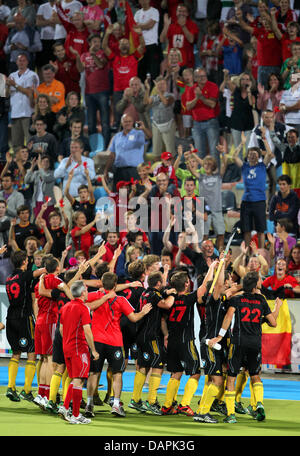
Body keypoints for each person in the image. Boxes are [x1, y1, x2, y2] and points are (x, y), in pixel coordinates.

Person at [209, 271, 283, 423]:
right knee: (255, 376)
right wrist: (277, 307)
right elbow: (273, 323)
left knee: (231, 378)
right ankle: (259, 404)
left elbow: (228, 317)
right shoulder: (261, 300)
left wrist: (220, 336)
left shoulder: (237, 299)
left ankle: (231, 415)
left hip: (238, 342)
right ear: (256, 284)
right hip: (255, 343)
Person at [86, 272, 152, 417]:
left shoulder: (94, 295)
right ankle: (115, 404)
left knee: (94, 372)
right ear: (115, 285)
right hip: (114, 342)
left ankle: (89, 404)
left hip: (96, 341)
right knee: (117, 373)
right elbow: (134, 318)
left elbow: (84, 304)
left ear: (102, 284)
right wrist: (143, 312)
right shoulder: (121, 300)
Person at [129, 270, 175, 415]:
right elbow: (167, 305)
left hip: (141, 334)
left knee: (143, 366)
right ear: (158, 283)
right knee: (158, 365)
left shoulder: (145, 293)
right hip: (152, 336)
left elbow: (161, 295)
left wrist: (166, 289)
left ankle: (135, 399)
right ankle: (152, 401)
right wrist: (173, 294)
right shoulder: (155, 295)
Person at [5, 250, 45, 402]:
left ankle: (11, 387)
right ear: (24, 262)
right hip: (24, 318)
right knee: (32, 352)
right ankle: (27, 390)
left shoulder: (9, 278)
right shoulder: (25, 275)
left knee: (15, 353)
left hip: (10, 318)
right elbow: (42, 270)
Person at [58, 280, 100, 424]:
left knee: (75, 378)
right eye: (86, 291)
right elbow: (87, 330)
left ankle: (65, 407)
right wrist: (93, 350)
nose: (87, 293)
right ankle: (75, 415)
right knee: (79, 379)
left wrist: (68, 342)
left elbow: (61, 330)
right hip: (79, 348)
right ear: (82, 293)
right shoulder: (83, 308)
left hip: (67, 347)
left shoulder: (65, 307)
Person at [161, 271, 203, 416]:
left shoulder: (169, 299)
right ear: (186, 284)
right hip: (186, 341)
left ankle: (167, 405)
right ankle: (184, 404)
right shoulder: (189, 298)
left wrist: (166, 335)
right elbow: (203, 287)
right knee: (196, 372)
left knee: (176, 372)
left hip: (172, 340)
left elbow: (162, 320)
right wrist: (212, 269)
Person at [102, 23, 145, 129]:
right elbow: (104, 47)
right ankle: (119, 133)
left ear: (129, 46)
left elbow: (142, 47)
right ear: (118, 46)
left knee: (133, 116)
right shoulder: (114, 58)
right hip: (118, 91)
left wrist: (140, 35)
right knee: (118, 116)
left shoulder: (134, 57)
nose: (124, 45)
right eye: (122, 43)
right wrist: (107, 34)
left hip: (132, 92)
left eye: (126, 43)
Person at [72, 33, 111, 148]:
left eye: (98, 41)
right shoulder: (84, 55)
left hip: (103, 91)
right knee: (91, 123)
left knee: (105, 122)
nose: (96, 43)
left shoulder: (104, 53)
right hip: (89, 93)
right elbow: (80, 69)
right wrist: (78, 57)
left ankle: (106, 146)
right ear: (89, 43)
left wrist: (93, 55)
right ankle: (94, 147)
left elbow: (100, 64)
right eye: (94, 41)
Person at [233, 143, 274, 248]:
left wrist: (264, 138)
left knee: (260, 230)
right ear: (247, 156)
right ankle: (247, 254)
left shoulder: (262, 166)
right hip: (246, 202)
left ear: (259, 156)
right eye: (250, 154)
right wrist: (242, 144)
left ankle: (260, 253)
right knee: (246, 230)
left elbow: (269, 154)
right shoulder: (244, 167)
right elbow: (234, 156)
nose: (252, 156)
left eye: (255, 154)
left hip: (259, 202)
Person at [103, 114, 151, 191]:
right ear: (122, 123)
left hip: (135, 171)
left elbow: (150, 136)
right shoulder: (116, 136)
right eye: (125, 121)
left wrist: (144, 128)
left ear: (133, 122)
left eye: (129, 121)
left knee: (136, 195)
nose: (128, 123)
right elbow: (112, 155)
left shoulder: (139, 133)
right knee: (121, 198)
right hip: (119, 171)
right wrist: (106, 170)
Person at [5, 52, 39, 152]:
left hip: (28, 112)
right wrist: (7, 86)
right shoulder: (12, 75)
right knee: (16, 143)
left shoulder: (32, 75)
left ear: (27, 62)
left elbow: (29, 92)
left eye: (23, 60)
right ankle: (17, 165)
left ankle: (31, 163)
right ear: (16, 62)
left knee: (30, 141)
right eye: (19, 60)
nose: (21, 62)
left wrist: (14, 85)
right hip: (15, 113)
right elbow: (7, 95)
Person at [186, 68, 220, 166]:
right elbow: (188, 106)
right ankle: (201, 176)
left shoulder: (213, 86)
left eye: (204, 76)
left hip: (211, 123)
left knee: (214, 151)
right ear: (195, 78)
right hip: (197, 124)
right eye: (200, 77)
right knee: (199, 152)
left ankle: (215, 174)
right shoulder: (191, 89)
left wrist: (201, 97)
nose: (203, 78)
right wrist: (197, 97)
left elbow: (212, 104)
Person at [143, 75, 176, 158]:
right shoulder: (154, 97)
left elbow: (165, 102)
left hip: (168, 124)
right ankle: (157, 169)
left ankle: (171, 169)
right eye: (159, 84)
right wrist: (147, 89)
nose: (161, 86)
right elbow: (146, 102)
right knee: (156, 152)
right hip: (156, 125)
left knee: (170, 151)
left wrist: (158, 91)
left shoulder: (171, 96)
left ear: (166, 85)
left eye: (163, 84)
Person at [159, 3, 198, 68]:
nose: (181, 13)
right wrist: (166, 26)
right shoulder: (171, 25)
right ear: (176, 12)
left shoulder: (192, 25)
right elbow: (161, 40)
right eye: (179, 11)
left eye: (184, 11)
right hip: (172, 63)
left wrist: (183, 27)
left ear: (188, 13)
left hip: (187, 63)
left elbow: (191, 40)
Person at [134, 0, 160, 82]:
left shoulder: (154, 11)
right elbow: (134, 28)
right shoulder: (137, 13)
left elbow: (149, 25)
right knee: (140, 73)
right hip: (141, 46)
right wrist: (142, 26)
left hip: (152, 45)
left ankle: (153, 93)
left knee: (154, 73)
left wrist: (139, 25)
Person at [24, 153, 56, 220]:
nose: (45, 163)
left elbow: (45, 178)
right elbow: (26, 180)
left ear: (50, 164)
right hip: (37, 202)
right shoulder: (37, 173)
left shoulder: (53, 173)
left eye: (47, 161)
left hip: (48, 202)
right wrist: (32, 166)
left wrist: (39, 166)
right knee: (39, 222)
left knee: (48, 222)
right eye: (43, 161)